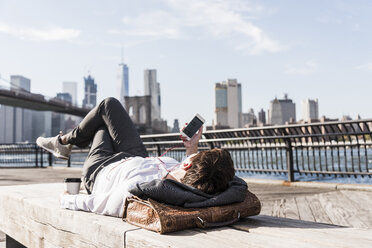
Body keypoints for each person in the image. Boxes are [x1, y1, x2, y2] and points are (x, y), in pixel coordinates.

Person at [36, 97, 235, 217]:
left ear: (186, 167)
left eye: (192, 159)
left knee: (102, 122)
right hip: (136, 157)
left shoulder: (139, 188)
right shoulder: (189, 179)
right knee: (108, 107)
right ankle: (63, 142)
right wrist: (192, 147)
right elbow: (197, 173)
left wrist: (67, 199)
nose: (189, 159)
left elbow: (97, 204)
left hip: (101, 169)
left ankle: (62, 143)